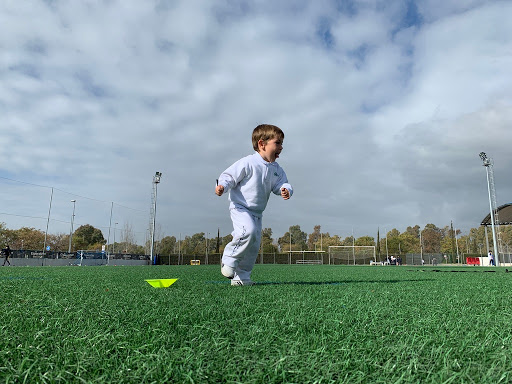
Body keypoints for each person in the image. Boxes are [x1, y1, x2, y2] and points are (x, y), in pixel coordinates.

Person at [215, 124, 293, 286]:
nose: (281, 147)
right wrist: (223, 185)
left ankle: (241, 278)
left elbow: (281, 184)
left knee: (253, 246)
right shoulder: (248, 163)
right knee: (247, 231)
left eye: (282, 144)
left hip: (258, 213)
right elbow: (229, 176)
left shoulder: (276, 169)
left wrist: (285, 189)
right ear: (261, 144)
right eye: (277, 143)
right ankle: (228, 260)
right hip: (240, 207)